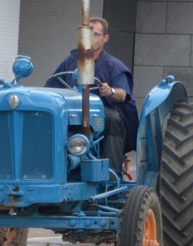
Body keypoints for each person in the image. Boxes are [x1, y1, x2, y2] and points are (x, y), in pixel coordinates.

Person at [45, 16, 138, 176]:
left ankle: (110, 174)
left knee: (113, 119)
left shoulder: (114, 66)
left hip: (101, 114)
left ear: (105, 38)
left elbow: (123, 94)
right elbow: (51, 87)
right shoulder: (70, 61)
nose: (90, 38)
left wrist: (110, 91)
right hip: (71, 112)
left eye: (95, 34)